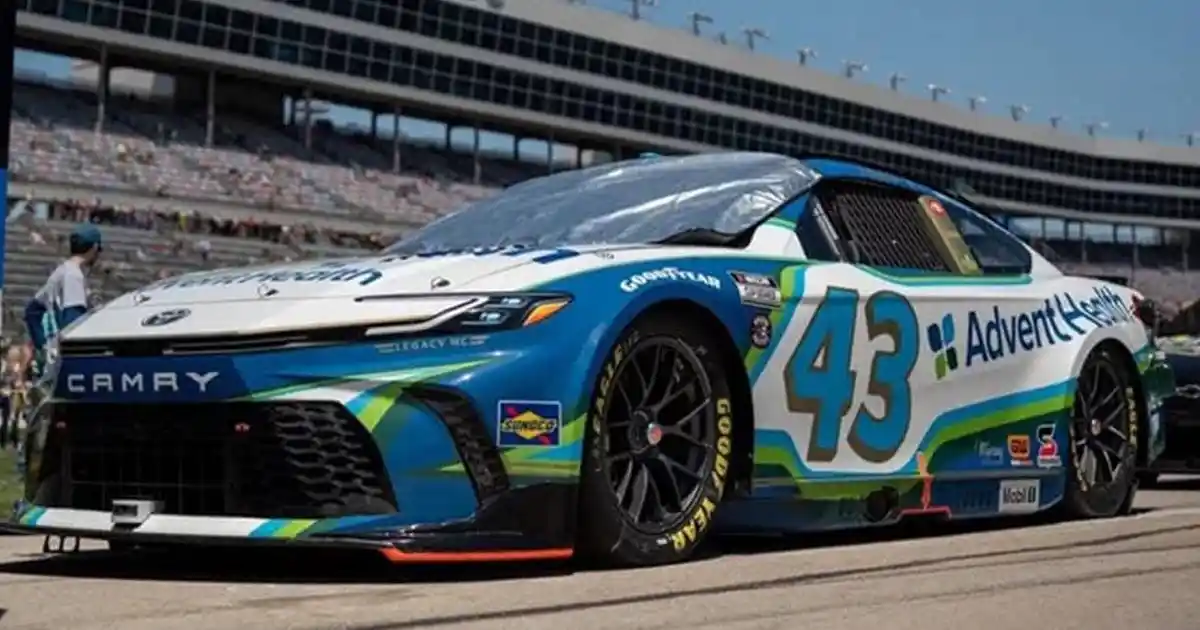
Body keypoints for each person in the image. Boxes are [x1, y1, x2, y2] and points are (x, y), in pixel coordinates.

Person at [23, 224, 102, 374]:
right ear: (94, 248)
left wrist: (42, 345)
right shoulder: (74, 275)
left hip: (53, 358)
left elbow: (31, 311)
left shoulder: (61, 271)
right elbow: (74, 322)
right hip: (67, 362)